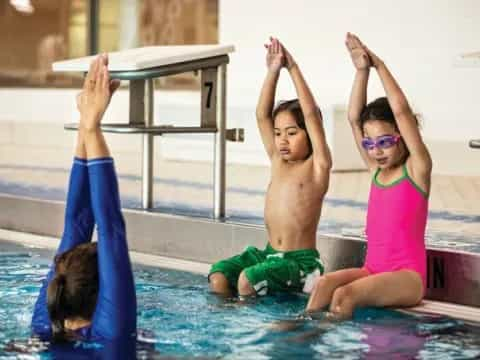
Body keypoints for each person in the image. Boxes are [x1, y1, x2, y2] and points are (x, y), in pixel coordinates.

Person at [306, 33, 432, 319]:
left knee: (344, 294)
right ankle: (304, 336)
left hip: (407, 276)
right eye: (370, 143)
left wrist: (379, 65)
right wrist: (360, 71)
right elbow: (354, 118)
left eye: (386, 141)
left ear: (402, 137)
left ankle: (325, 336)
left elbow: (401, 111)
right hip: (373, 269)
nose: (377, 151)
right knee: (325, 284)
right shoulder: (376, 171)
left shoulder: (416, 170)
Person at [209, 37, 332, 297]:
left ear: (309, 134)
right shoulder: (278, 160)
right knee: (219, 275)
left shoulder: (317, 165)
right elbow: (261, 115)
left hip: (300, 263)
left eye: (291, 133)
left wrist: (293, 68)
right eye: (278, 134)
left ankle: (249, 325)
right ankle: (230, 323)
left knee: (247, 280)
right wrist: (273, 72)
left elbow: (311, 115)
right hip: (269, 254)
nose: (282, 140)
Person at [31, 54, 137, 343]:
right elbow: (105, 226)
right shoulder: (110, 337)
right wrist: (91, 127)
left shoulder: (46, 323)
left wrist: (87, 123)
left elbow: (86, 223)